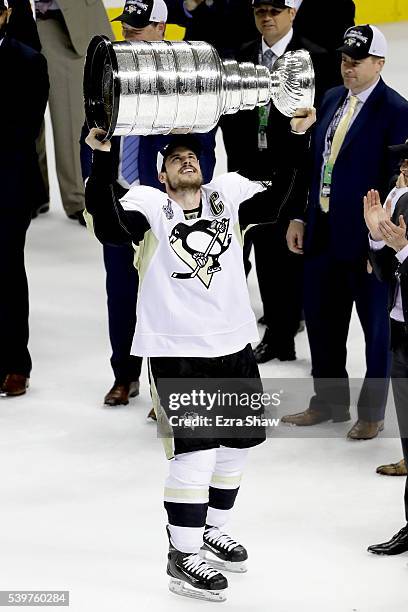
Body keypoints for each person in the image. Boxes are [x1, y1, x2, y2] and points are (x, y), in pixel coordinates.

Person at [84, 106, 316, 600]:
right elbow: (107, 225)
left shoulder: (227, 196)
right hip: (176, 350)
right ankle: (182, 555)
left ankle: (210, 529)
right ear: (161, 172)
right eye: (176, 158)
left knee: (237, 445)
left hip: (233, 346)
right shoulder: (148, 204)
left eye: (193, 155)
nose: (187, 161)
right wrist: (101, 157)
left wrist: (296, 135)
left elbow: (278, 197)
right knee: (195, 453)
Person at [81, 0, 217, 408]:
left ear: (162, 27)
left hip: (164, 206)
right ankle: (124, 375)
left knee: (167, 299)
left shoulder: (184, 78)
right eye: (127, 24)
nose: (131, 32)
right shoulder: (110, 70)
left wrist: (179, 140)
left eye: (140, 25)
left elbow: (204, 157)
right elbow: (90, 125)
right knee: (119, 291)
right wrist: (96, 177)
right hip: (120, 197)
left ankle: (167, 387)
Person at [284, 25, 408, 439]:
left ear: (380, 63)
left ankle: (372, 413)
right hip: (321, 235)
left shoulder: (397, 111)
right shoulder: (333, 99)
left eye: (357, 61)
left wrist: (380, 245)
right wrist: (301, 216)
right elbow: (315, 167)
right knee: (322, 324)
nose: (348, 67)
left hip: (367, 246)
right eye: (344, 59)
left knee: (376, 333)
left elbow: (398, 184)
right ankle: (329, 402)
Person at [224, 0, 333, 364]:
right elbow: (230, 113)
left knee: (282, 257)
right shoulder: (240, 56)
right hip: (245, 170)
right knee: (250, 251)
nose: (267, 18)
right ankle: (264, 330)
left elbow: (323, 122)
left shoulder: (317, 58)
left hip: (293, 172)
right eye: (260, 11)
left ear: (293, 13)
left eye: (275, 10)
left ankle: (282, 333)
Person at [0, 0, 49, 396]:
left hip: (7, 184)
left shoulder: (29, 61)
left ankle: (15, 362)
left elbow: (24, 128)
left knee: (6, 271)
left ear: (5, 15)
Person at [363, 151, 408, 555]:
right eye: (402, 165)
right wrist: (378, 237)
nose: (403, 170)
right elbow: (381, 273)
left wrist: (405, 251)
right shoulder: (402, 203)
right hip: (402, 332)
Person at [34, 0, 112, 222]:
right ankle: (33, 192)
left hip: (65, 21)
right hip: (15, 18)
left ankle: (78, 196)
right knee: (22, 111)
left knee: (69, 112)